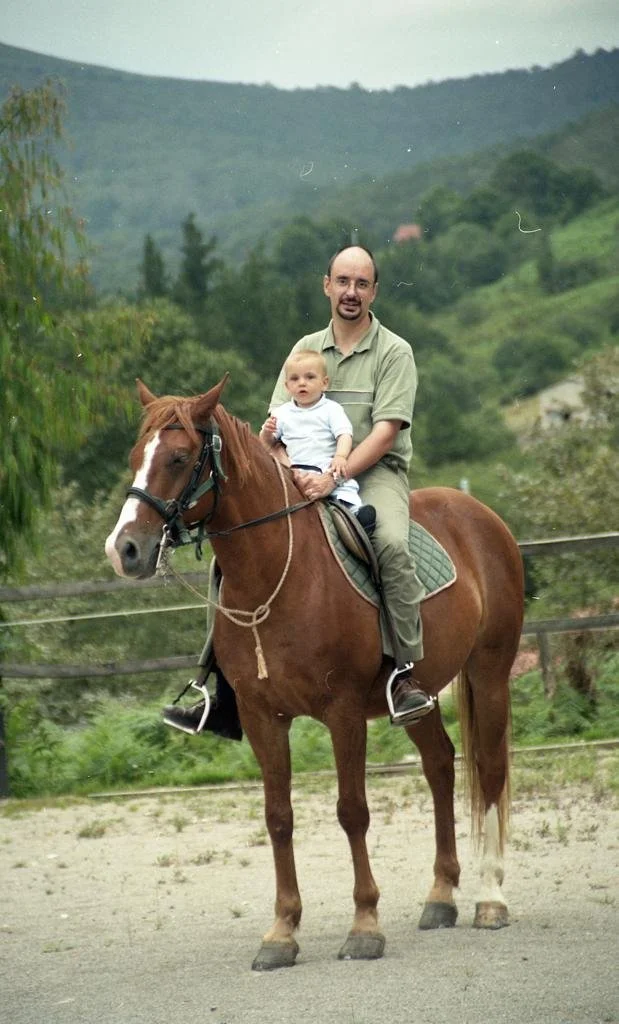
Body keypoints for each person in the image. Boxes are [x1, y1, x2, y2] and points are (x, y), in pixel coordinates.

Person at [163, 243, 435, 734]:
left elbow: (384, 433)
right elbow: (274, 428)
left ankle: (403, 672)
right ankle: (220, 692)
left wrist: (334, 476)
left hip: (373, 473)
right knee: (233, 555)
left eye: (362, 284)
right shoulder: (304, 349)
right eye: (343, 281)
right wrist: (290, 470)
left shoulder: (395, 352)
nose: (351, 292)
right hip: (299, 475)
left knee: (391, 543)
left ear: (374, 292)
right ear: (327, 286)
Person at [259, 349, 376, 532]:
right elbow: (268, 444)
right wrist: (267, 432)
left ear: (324, 383)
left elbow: (344, 434)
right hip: (295, 471)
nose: (302, 383)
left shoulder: (331, 409)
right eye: (295, 379)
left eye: (310, 377)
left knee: (343, 492)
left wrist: (340, 456)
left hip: (325, 467)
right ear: (287, 386)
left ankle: (356, 514)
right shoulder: (281, 413)